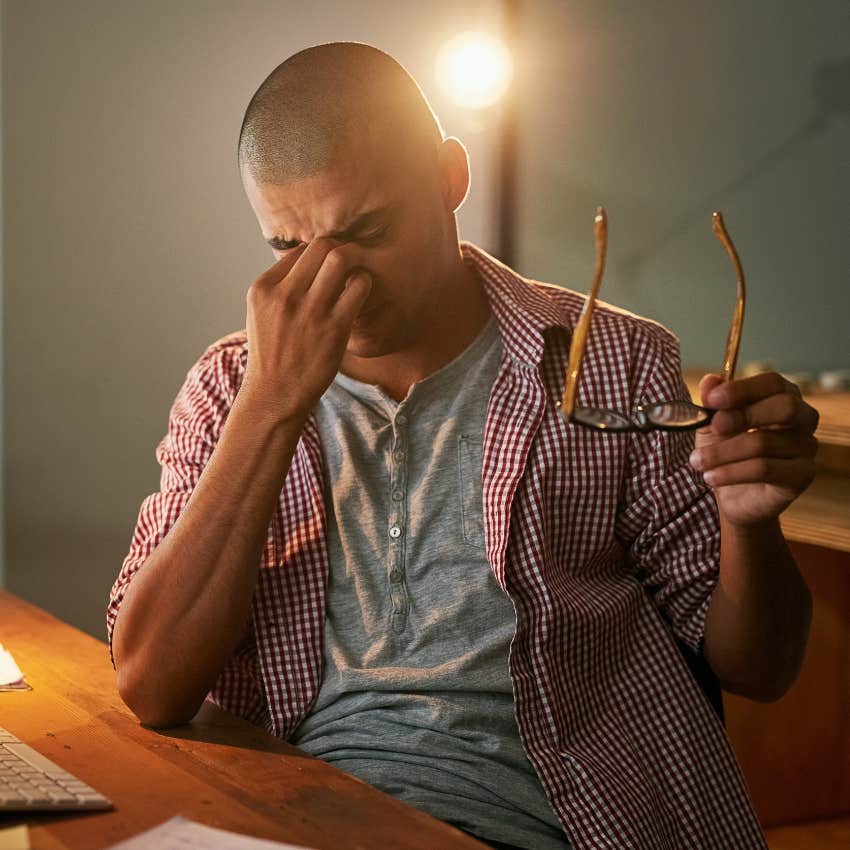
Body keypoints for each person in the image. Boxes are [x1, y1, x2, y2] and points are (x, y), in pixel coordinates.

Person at [107, 42, 818, 850]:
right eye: (288, 249)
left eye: (366, 230)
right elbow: (150, 686)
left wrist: (750, 526)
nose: (338, 281)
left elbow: (760, 670)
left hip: (541, 823)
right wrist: (269, 408)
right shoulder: (229, 388)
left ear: (451, 178)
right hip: (295, 815)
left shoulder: (614, 363)